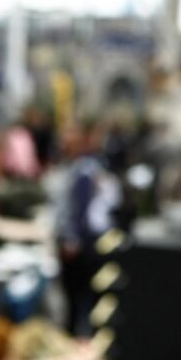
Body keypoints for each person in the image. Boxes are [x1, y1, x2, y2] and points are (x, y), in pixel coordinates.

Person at [55, 123, 123, 336]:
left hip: (83, 244)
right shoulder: (86, 166)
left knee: (79, 299)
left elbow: (80, 210)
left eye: (69, 137)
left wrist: (71, 240)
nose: (64, 142)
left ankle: (79, 339)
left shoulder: (85, 170)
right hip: (88, 242)